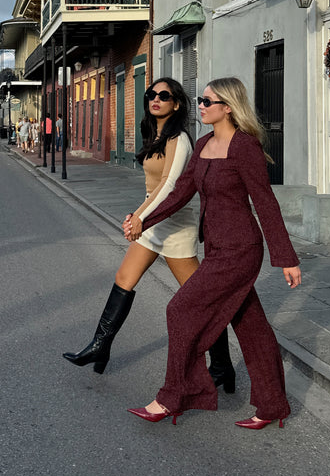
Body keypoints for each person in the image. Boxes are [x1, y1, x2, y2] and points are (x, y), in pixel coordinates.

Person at [126, 77, 301, 430]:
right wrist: (144, 219)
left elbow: (265, 204)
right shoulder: (204, 145)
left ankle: (173, 397)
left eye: (207, 101)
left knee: (180, 309)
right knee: (252, 327)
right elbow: (180, 193)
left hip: (240, 249)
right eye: (200, 100)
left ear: (228, 108)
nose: (201, 106)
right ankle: (273, 405)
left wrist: (286, 257)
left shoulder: (244, 148)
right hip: (218, 247)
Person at [63, 78, 234, 385]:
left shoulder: (179, 138)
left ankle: (221, 365)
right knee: (123, 280)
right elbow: (151, 189)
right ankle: (100, 346)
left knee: (197, 298)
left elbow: (170, 186)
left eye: (164, 96)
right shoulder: (154, 134)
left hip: (175, 224)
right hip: (152, 222)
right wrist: (139, 214)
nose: (156, 99)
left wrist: (139, 217)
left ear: (177, 103)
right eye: (152, 94)